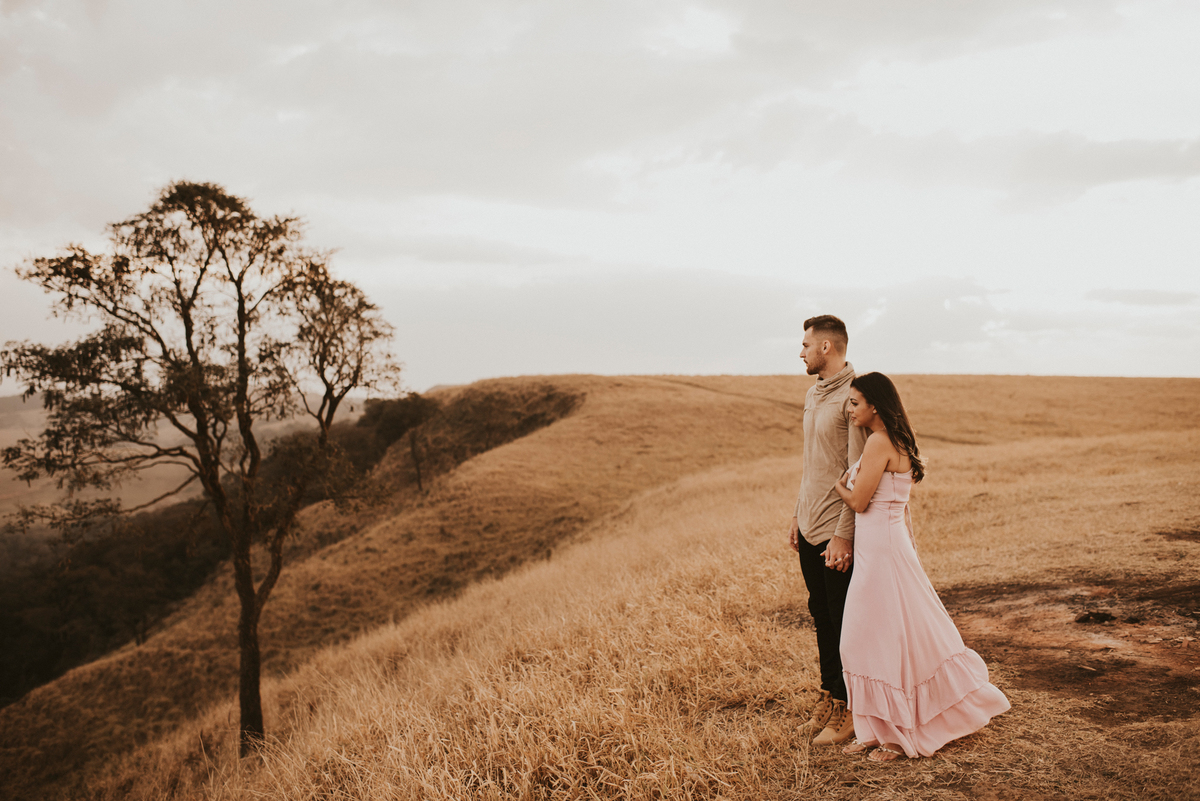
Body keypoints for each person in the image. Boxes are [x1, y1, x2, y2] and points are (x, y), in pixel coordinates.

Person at [834, 372, 1010, 762]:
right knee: (886, 635)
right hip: (885, 546)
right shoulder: (892, 439)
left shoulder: (880, 442)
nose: (849, 410)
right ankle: (876, 728)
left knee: (875, 638)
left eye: (855, 402)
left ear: (874, 406)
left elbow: (860, 502)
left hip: (881, 551)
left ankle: (898, 737)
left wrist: (839, 487)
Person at [789, 315, 868, 747]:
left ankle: (849, 709)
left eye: (805, 345)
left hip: (835, 529)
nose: (800, 352)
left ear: (826, 348)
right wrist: (795, 515)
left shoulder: (853, 399)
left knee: (842, 620)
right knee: (820, 613)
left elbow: (856, 473)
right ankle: (828, 698)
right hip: (808, 522)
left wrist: (844, 534)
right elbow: (813, 463)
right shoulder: (813, 393)